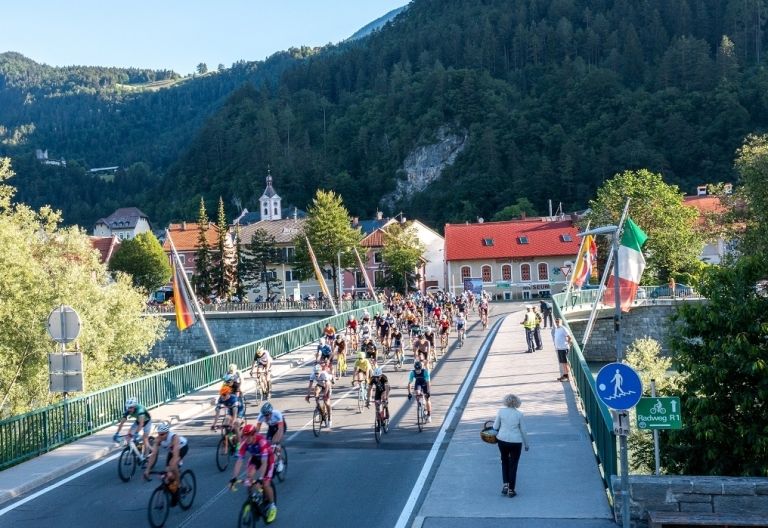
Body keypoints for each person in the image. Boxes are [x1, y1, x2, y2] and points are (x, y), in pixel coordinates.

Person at [229, 424, 277, 523]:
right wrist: (234, 478)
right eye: (244, 436)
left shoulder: (261, 442)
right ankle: (252, 500)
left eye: (248, 436)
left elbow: (264, 463)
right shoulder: (244, 443)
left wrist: (260, 478)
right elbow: (239, 461)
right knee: (249, 477)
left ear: (254, 434)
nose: (246, 439)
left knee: (265, 483)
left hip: (268, 459)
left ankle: (272, 506)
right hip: (255, 458)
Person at [493, 394, 530, 498]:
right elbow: (523, 430)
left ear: (505, 401)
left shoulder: (501, 411)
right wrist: (526, 444)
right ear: (517, 402)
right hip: (516, 442)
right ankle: (511, 490)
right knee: (513, 465)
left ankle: (505, 484)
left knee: (504, 461)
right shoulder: (519, 414)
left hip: (502, 440)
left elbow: (495, 426)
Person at [143, 422, 188, 504]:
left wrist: (170, 469)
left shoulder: (174, 437)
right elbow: (153, 455)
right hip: (171, 451)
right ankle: (174, 490)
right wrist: (147, 469)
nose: (160, 436)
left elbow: (175, 455)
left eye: (162, 434)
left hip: (182, 448)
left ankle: (178, 486)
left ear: (167, 433)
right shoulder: (158, 439)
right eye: (159, 434)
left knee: (172, 467)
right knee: (168, 477)